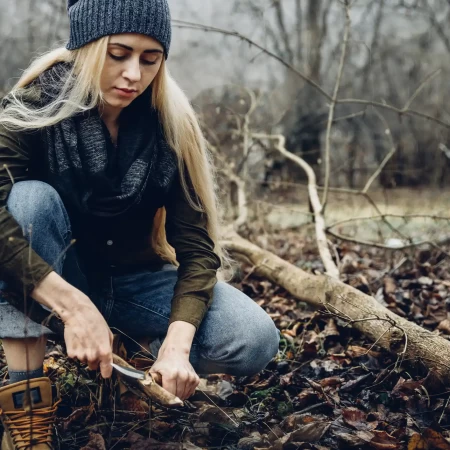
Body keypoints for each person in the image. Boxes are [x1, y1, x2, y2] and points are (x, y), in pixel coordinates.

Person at [0, 0, 280, 448]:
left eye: (151, 60)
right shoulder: (32, 108)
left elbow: (197, 248)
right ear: (87, 47)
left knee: (253, 337)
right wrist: (74, 308)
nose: (134, 73)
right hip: (52, 284)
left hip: (132, 282)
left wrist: (176, 344)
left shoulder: (170, 124)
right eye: (119, 54)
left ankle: (132, 361)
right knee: (27, 201)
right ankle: (27, 415)